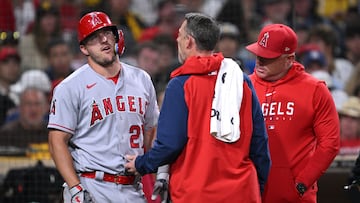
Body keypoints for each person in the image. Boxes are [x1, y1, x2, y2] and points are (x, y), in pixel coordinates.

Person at [125, 12, 271, 202]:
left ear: (188, 42)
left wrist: (141, 163)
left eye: (180, 34)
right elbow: (259, 143)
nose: (176, 38)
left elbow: (169, 144)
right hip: (242, 192)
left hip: (195, 193)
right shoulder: (241, 80)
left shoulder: (180, 85)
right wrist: (256, 187)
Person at [47, 11, 159, 203]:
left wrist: (155, 170)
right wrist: (75, 188)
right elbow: (56, 141)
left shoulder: (142, 79)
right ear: (84, 49)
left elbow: (152, 129)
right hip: (91, 186)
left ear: (116, 37)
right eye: (94, 38)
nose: (103, 40)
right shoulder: (70, 86)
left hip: (133, 187)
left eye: (107, 33)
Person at [246, 23, 340, 202]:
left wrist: (304, 181)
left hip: (295, 196)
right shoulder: (244, 87)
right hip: (252, 193)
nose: (260, 60)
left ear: (289, 59)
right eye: (259, 54)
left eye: (268, 57)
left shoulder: (314, 89)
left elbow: (330, 143)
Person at [0, 87, 49, 155]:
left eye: (37, 104)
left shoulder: (53, 134)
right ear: (20, 108)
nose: (33, 109)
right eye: (28, 104)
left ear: (46, 108)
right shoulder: (6, 134)